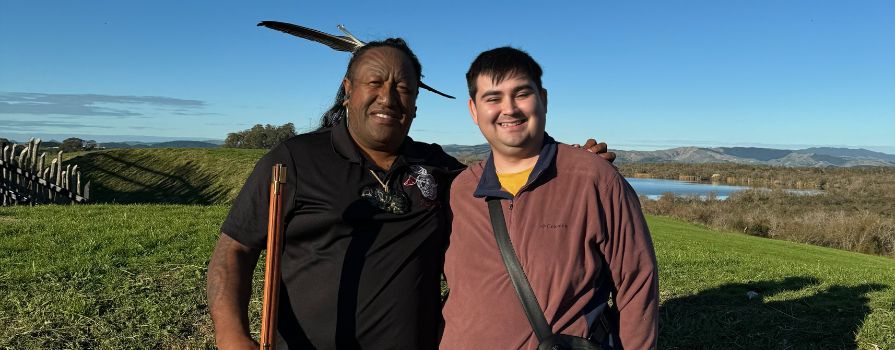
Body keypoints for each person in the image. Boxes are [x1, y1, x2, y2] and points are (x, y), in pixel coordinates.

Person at [207, 38, 615, 349]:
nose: (388, 97)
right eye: (375, 82)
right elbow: (234, 249)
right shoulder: (294, 160)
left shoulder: (439, 168)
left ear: (416, 105)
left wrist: (569, 165)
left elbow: (511, 180)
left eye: (404, 87)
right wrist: (232, 338)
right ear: (349, 90)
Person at [440, 47, 659, 349]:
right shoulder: (462, 188)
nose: (510, 109)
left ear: (543, 99)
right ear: (474, 110)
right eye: (493, 98)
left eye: (521, 94)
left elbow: (637, 285)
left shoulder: (594, 179)